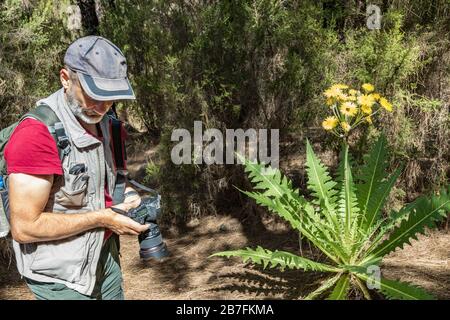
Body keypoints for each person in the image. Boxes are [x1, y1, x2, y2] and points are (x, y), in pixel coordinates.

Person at [4, 36, 149, 300]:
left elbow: (109, 182)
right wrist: (102, 218)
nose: (102, 107)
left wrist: (127, 195)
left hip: (105, 259)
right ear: (65, 78)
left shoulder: (110, 127)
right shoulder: (36, 135)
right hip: (60, 276)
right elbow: (25, 227)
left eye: (110, 97)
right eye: (93, 94)